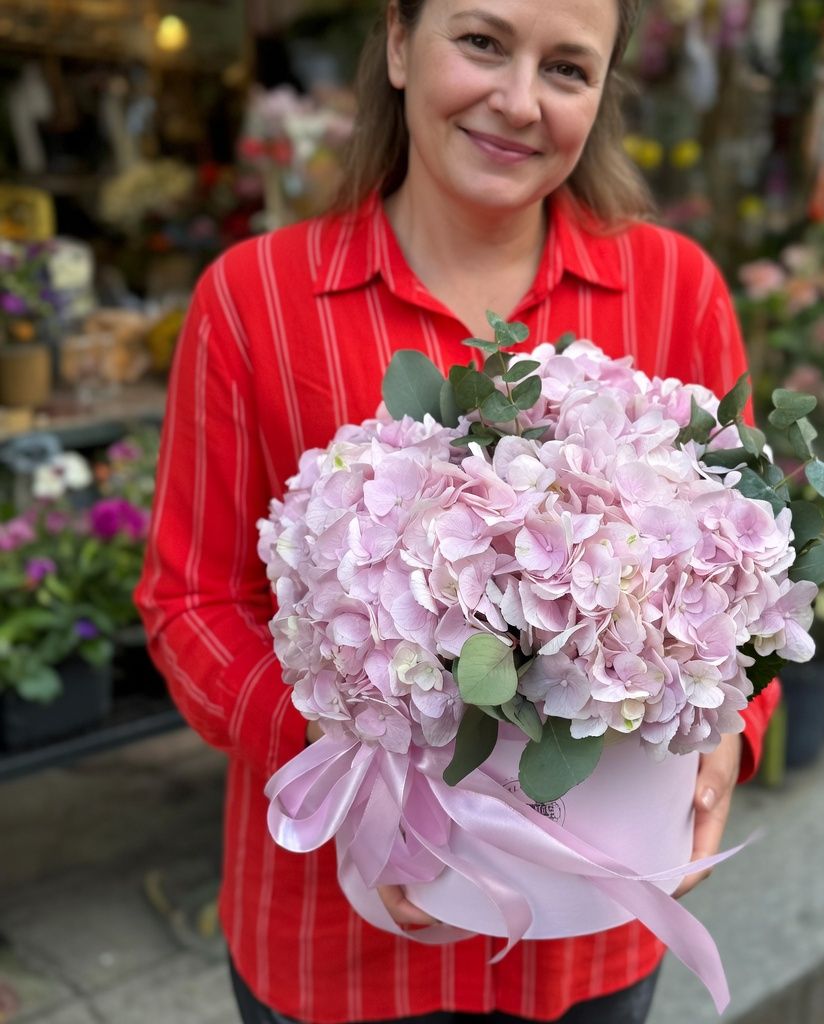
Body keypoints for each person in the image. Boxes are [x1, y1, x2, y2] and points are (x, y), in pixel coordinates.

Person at [136, 1, 781, 1022]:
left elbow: (749, 578)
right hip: (335, 944)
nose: (519, 102)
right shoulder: (254, 300)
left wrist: (727, 730)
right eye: (482, 42)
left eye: (566, 68)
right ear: (398, 42)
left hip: (588, 935)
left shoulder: (673, 290)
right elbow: (191, 601)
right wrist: (352, 768)